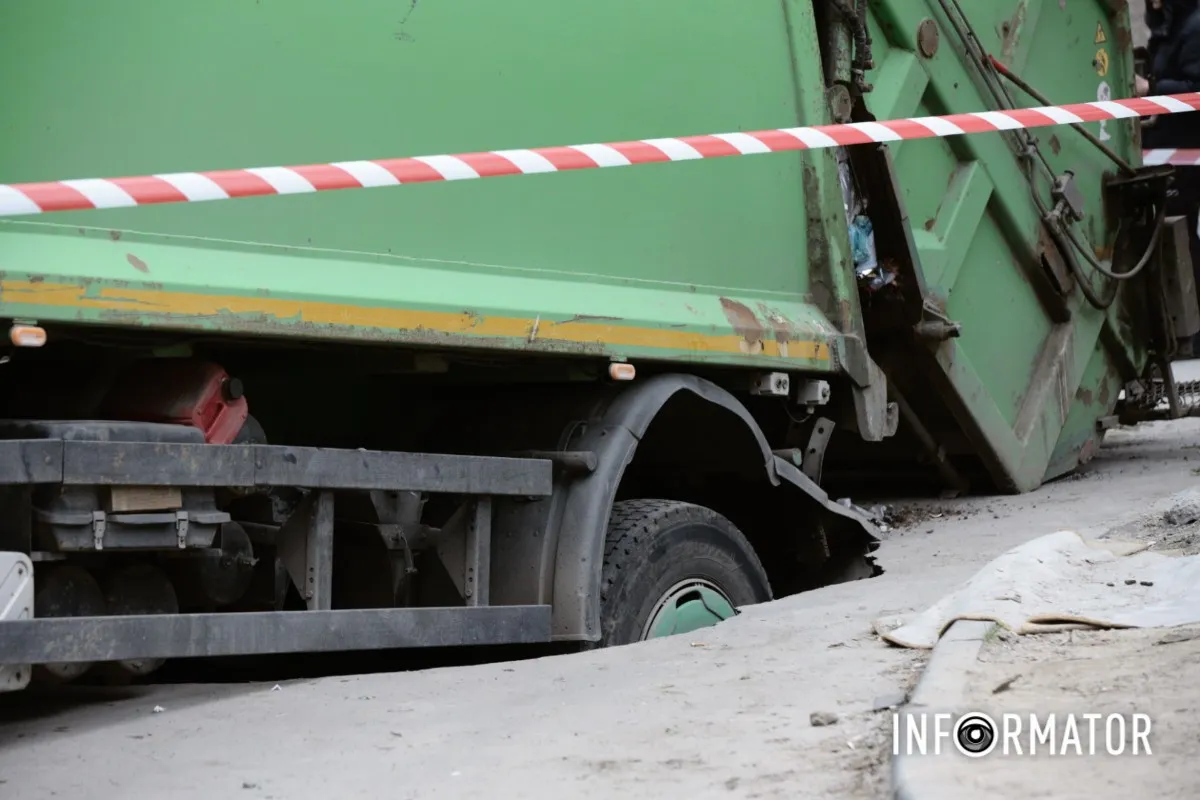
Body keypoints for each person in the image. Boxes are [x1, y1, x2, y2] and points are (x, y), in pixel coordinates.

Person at [1141, 0, 1200, 354]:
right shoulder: (1170, 25)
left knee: (1188, 245)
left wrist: (1150, 91)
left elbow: (1195, 91)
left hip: (1187, 157)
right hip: (1172, 156)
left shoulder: (1193, 27)